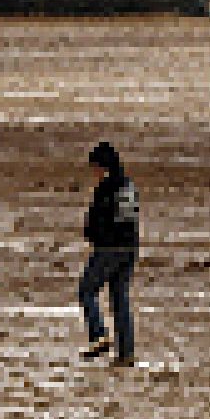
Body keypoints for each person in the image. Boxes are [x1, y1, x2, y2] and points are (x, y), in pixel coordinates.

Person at [78, 141, 140, 368]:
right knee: (119, 297)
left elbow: (96, 220)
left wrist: (93, 237)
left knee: (86, 290)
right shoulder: (128, 186)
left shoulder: (106, 188)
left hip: (108, 248)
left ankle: (98, 335)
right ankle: (126, 352)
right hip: (130, 248)